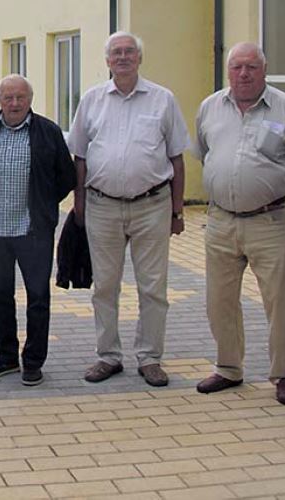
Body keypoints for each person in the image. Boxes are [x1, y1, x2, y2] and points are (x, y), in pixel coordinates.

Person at [193, 42, 285, 405]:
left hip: (271, 221)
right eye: (237, 67)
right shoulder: (210, 107)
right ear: (228, 71)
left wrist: (279, 188)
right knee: (219, 300)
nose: (244, 74)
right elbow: (206, 153)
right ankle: (228, 368)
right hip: (220, 221)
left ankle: (283, 374)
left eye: (251, 67)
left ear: (264, 70)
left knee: (281, 302)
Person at [68, 32, 188, 388]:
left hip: (153, 205)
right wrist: (79, 203)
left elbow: (177, 159)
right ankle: (107, 356)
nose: (123, 58)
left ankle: (150, 357)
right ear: (107, 61)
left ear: (139, 58)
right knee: (104, 286)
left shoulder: (162, 100)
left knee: (153, 288)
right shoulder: (91, 100)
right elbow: (80, 157)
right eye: (116, 53)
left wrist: (177, 211)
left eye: (129, 52)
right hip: (101, 206)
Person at [0, 74, 76, 386]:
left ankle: (33, 361)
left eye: (20, 97)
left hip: (34, 230)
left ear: (30, 99)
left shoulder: (48, 132)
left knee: (38, 297)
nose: (14, 103)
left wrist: (43, 205)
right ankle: (5, 357)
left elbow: (66, 177)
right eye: (8, 98)